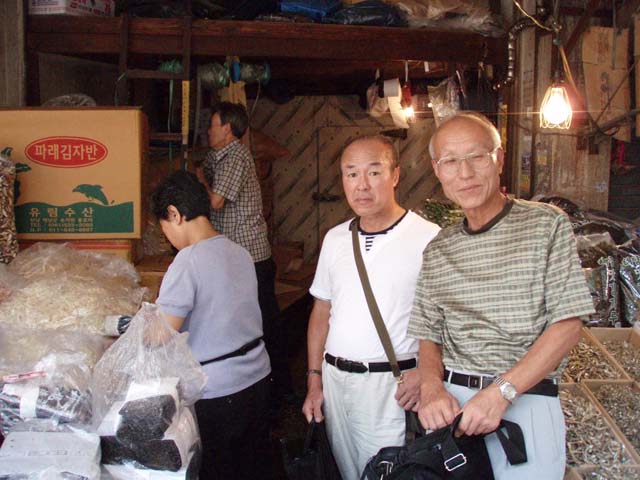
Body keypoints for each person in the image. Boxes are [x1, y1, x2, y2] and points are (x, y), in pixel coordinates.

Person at [407, 112, 595, 479]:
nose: (465, 173)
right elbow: (429, 335)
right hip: (453, 409)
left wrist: (501, 392)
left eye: (477, 157)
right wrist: (431, 388)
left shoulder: (546, 224)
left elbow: (568, 324)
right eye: (450, 161)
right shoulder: (439, 249)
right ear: (437, 170)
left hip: (525, 400)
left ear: (499, 159)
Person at [302, 135, 441, 480]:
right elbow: (322, 312)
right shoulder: (335, 238)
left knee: (388, 472)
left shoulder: (429, 238)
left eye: (374, 172)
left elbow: (449, 318)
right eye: (351, 174)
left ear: (395, 176)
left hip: (391, 387)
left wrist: (427, 375)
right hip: (336, 383)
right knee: (348, 471)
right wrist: (315, 380)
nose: (361, 185)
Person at [152, 170, 273, 480]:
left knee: (219, 471)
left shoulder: (187, 261)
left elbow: (161, 334)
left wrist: (133, 330)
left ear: (174, 214)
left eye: (165, 229)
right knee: (251, 467)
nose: (169, 239)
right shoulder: (240, 252)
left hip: (219, 392)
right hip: (258, 378)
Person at [198, 101, 293, 407]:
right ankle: (267, 388)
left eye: (213, 125)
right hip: (239, 257)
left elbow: (215, 201)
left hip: (251, 257)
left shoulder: (235, 156)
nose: (208, 130)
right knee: (252, 321)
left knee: (264, 323)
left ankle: (280, 392)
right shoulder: (218, 156)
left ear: (227, 128)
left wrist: (200, 179)